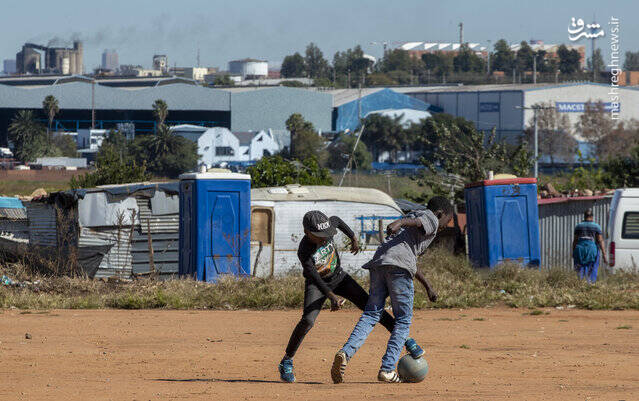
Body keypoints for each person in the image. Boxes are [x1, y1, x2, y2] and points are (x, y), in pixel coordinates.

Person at [278, 210, 436, 383]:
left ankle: (406, 340)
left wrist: (353, 238)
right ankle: (287, 361)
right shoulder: (304, 250)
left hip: (340, 278)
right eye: (319, 236)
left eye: (326, 234)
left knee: (372, 308)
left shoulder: (328, 226)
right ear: (307, 232)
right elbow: (314, 277)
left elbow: (337, 220)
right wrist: (332, 297)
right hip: (317, 285)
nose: (324, 238)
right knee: (308, 321)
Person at [331, 196, 453, 384]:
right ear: (440, 213)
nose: (445, 225)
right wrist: (400, 222)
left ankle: (345, 353)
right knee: (403, 320)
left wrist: (428, 286)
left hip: (380, 264)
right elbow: (420, 223)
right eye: (447, 220)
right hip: (398, 268)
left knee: (371, 314)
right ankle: (387, 369)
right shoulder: (430, 217)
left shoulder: (414, 215)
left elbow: (406, 257)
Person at [572, 208, 607, 283]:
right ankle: (591, 283)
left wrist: (573, 252)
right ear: (592, 217)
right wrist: (604, 254)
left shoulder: (578, 226)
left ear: (584, 216)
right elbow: (600, 240)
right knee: (592, 267)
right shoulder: (596, 226)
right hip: (591, 249)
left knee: (579, 267)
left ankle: (580, 283)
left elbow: (575, 241)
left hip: (580, 249)